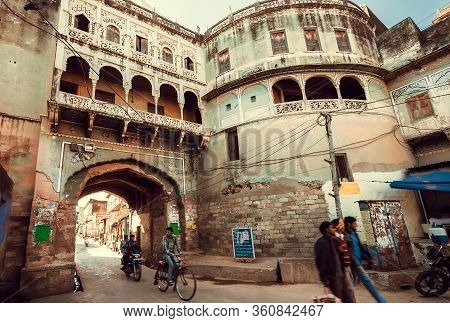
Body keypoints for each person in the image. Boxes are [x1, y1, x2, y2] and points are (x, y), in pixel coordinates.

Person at [344, 216, 387, 303]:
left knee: (350, 287)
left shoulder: (354, 234)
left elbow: (360, 248)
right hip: (354, 264)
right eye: (354, 223)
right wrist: (357, 264)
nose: (356, 225)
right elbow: (349, 252)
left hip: (357, 263)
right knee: (368, 283)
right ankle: (382, 302)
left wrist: (369, 258)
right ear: (349, 224)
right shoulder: (346, 236)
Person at [314, 221, 351, 302]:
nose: (335, 229)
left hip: (341, 274)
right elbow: (320, 261)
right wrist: (324, 277)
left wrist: (340, 250)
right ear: (327, 230)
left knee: (348, 299)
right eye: (332, 228)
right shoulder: (321, 242)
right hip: (333, 276)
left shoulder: (334, 240)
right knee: (338, 300)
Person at [331, 218, 356, 303]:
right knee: (349, 289)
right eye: (341, 224)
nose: (343, 225)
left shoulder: (343, 237)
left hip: (347, 266)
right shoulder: (334, 238)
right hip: (342, 267)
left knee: (350, 289)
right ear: (337, 226)